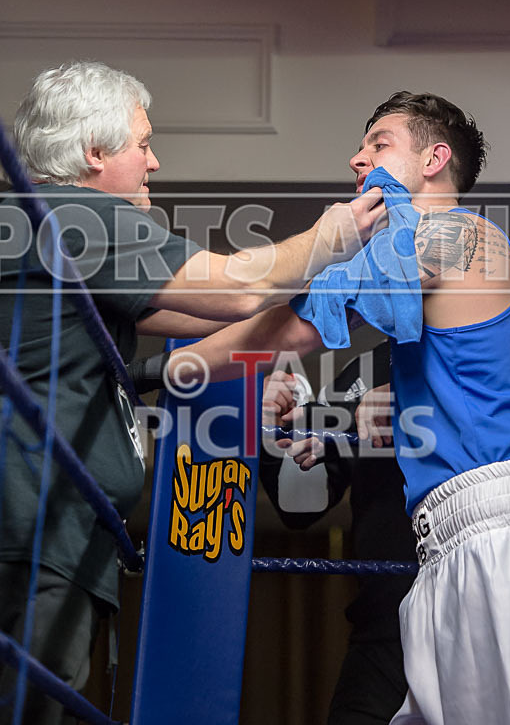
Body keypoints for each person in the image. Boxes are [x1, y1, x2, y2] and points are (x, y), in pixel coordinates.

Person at [164, 91, 510, 724]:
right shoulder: (436, 252)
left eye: (379, 144)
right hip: (449, 538)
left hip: (503, 529)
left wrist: (165, 364)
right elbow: (290, 306)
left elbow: (296, 321)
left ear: (436, 159)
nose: (358, 159)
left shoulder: (456, 235)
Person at [0, 60, 385, 724]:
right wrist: (333, 237)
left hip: (51, 531)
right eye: (142, 144)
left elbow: (209, 331)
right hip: (32, 530)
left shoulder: (52, 231)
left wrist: (322, 320)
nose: (154, 162)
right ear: (94, 154)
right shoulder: (80, 214)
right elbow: (234, 288)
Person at [257, 334, 510, 725]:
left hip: (488, 599)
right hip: (386, 626)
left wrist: (411, 399)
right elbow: (301, 506)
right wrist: (272, 428)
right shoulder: (363, 373)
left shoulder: (496, 330)